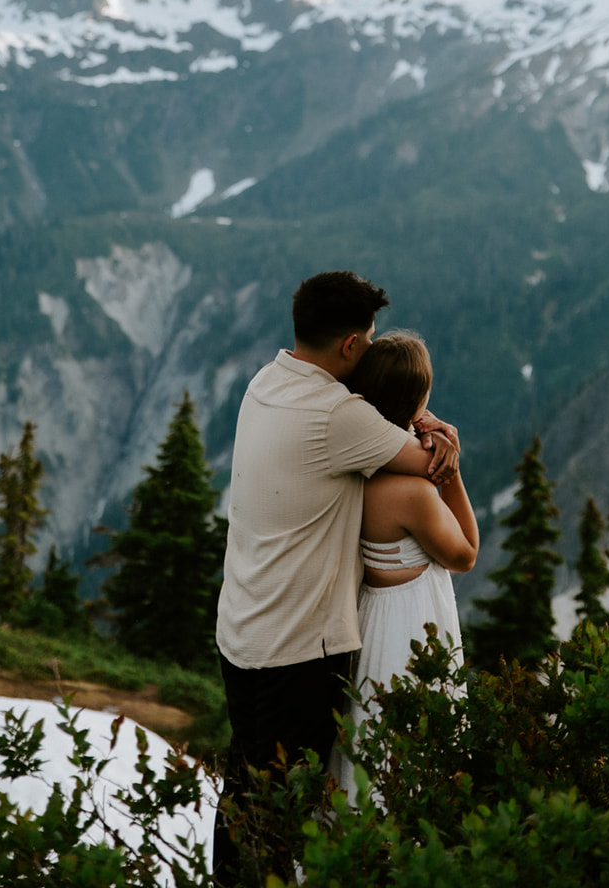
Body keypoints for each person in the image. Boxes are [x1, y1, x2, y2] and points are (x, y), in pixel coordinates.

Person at [212, 271, 459, 884]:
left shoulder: (266, 382)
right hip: (295, 647)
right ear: (350, 345)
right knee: (285, 801)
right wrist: (439, 431)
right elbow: (424, 460)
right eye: (370, 340)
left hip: (242, 628)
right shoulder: (338, 415)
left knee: (246, 784)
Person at [335, 330, 478, 797]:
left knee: (370, 739)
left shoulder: (356, 467)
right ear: (420, 401)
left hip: (370, 618)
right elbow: (465, 554)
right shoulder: (414, 492)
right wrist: (449, 472)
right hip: (413, 626)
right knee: (413, 747)